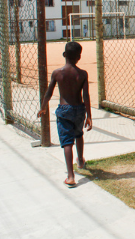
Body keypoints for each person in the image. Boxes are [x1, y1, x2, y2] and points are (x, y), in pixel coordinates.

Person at [37, 41, 92, 187]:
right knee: (78, 134)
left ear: (64, 55)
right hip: (79, 109)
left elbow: (49, 92)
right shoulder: (82, 74)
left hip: (64, 110)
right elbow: (86, 96)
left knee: (67, 141)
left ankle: (70, 175)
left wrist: (43, 107)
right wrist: (89, 116)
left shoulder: (57, 73)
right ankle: (80, 160)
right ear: (79, 57)